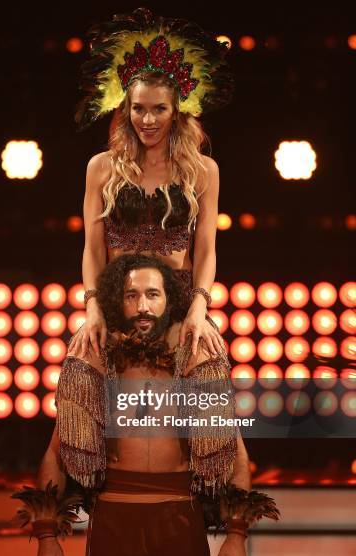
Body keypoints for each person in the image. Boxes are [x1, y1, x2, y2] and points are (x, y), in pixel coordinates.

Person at [12, 255, 280, 556]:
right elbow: (57, 452)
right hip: (113, 522)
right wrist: (47, 537)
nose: (142, 306)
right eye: (131, 295)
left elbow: (235, 452)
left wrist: (237, 535)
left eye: (153, 294)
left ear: (170, 299)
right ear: (115, 300)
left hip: (179, 521)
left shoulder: (197, 359)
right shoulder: (94, 360)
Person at [67, 7, 235, 360]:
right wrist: (92, 309)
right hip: (116, 307)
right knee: (78, 376)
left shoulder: (204, 170)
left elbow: (205, 248)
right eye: (138, 108)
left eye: (159, 109)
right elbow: (93, 249)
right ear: (125, 109)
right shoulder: (101, 168)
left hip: (179, 307)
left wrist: (199, 309)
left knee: (207, 374)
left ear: (176, 111)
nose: (147, 119)